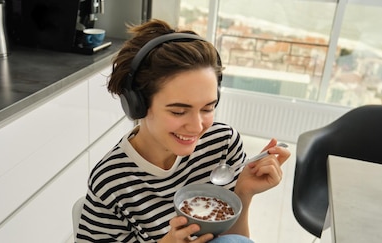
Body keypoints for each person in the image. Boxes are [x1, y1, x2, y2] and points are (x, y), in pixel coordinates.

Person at [75, 19, 290, 243]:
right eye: (178, 111)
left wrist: (243, 193)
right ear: (137, 104)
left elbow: (232, 240)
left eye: (208, 108)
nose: (197, 127)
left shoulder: (222, 143)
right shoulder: (112, 181)